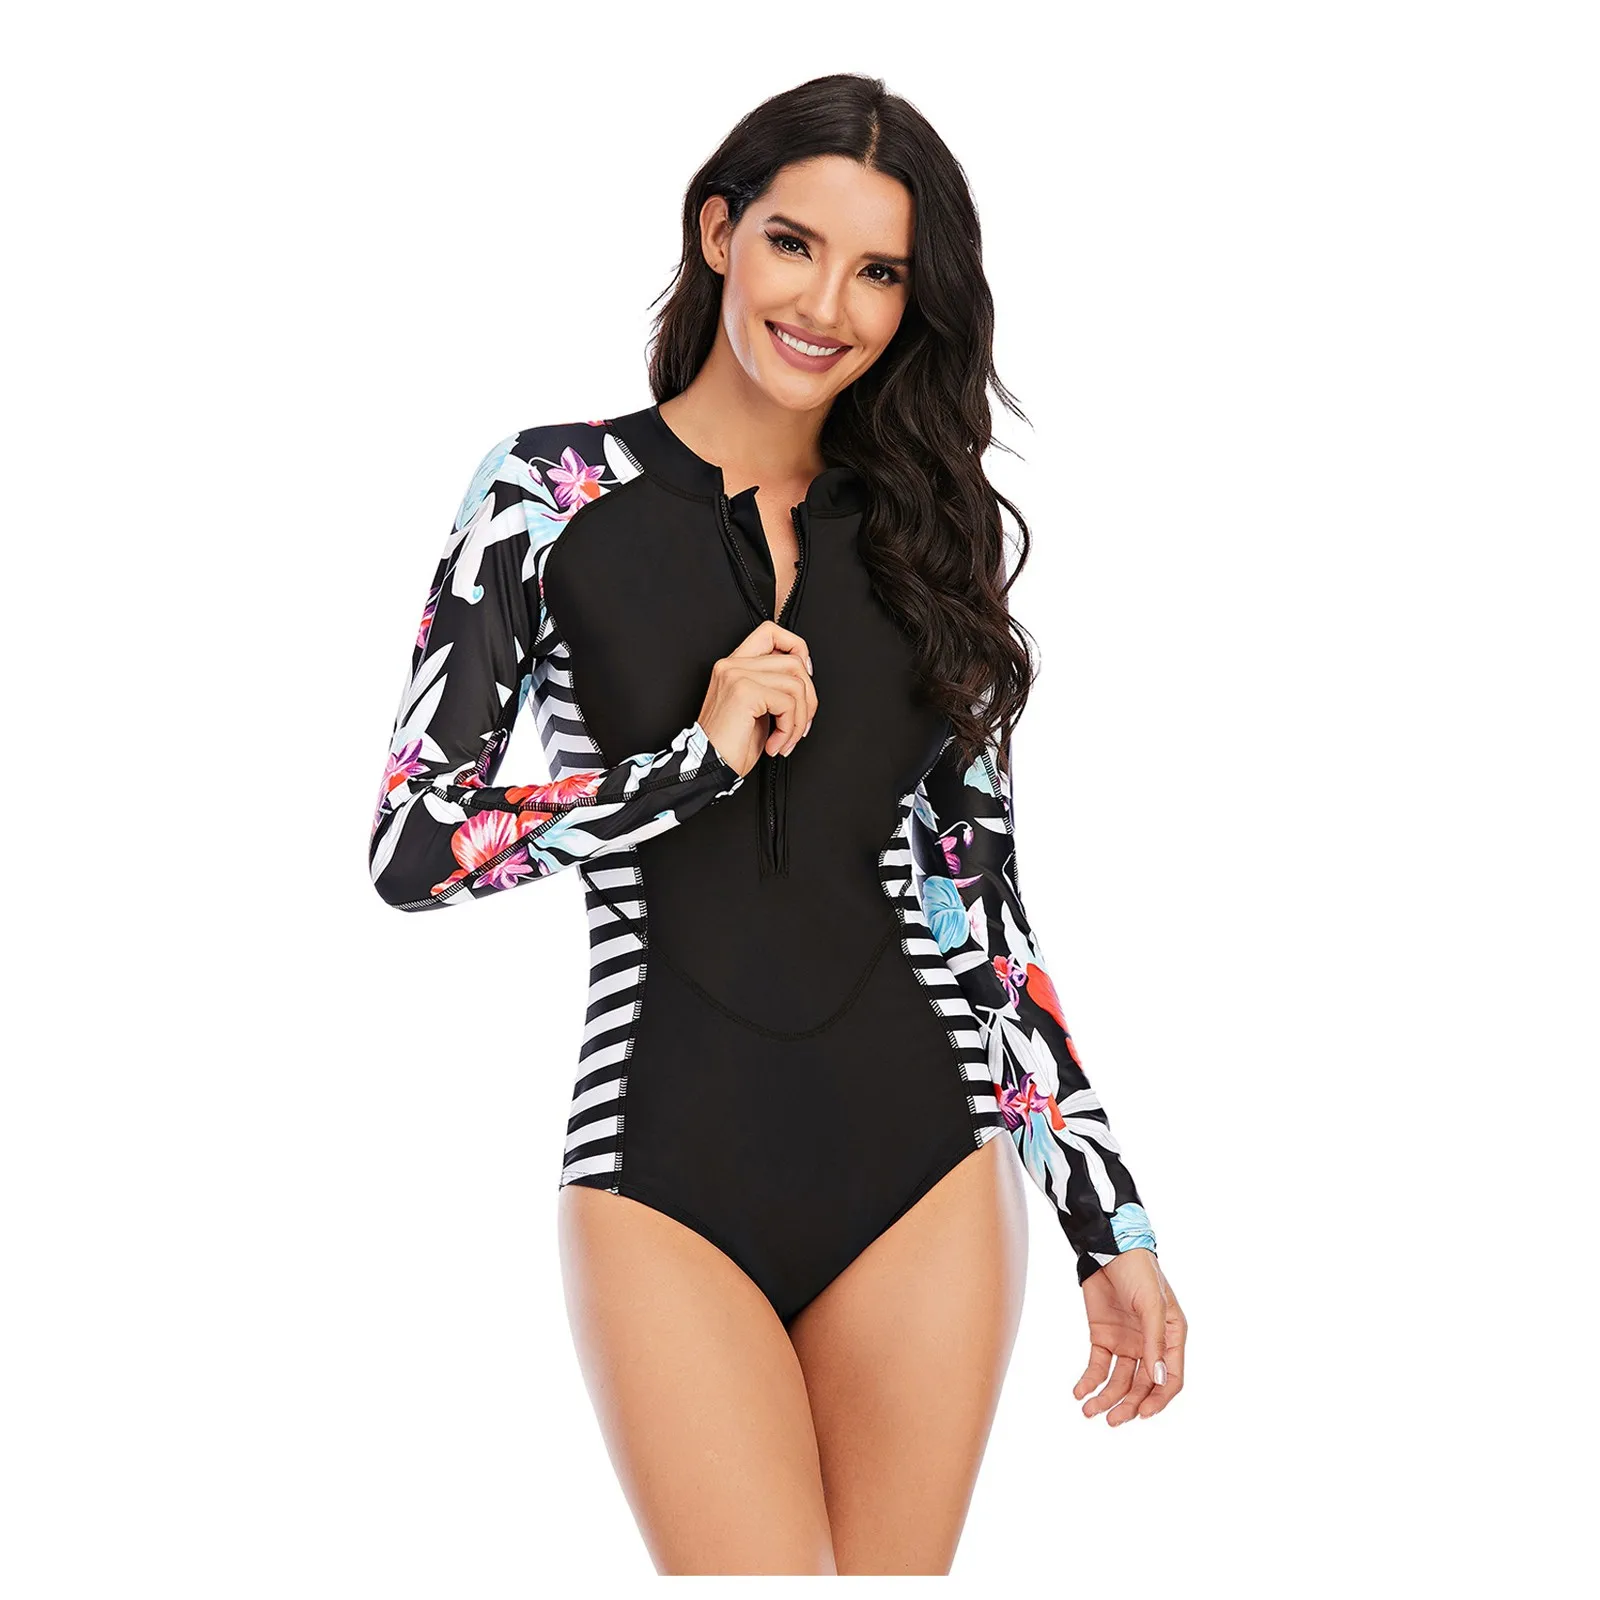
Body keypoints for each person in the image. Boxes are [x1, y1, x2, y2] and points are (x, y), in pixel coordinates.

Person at [368, 72, 1187, 1576]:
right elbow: (416, 846)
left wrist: (1109, 1221)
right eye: (794, 245)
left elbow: (985, 913)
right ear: (717, 233)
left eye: (879, 271)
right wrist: (688, 764)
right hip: (660, 1170)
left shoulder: (928, 534)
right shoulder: (548, 494)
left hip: (926, 1165)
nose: (827, 305)